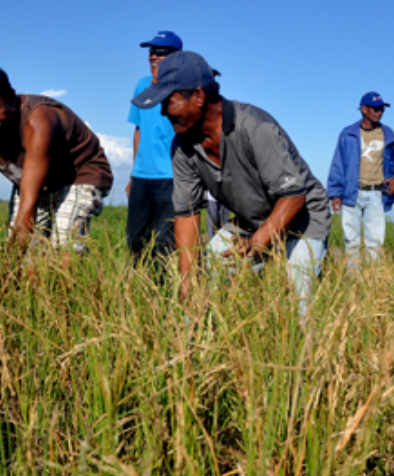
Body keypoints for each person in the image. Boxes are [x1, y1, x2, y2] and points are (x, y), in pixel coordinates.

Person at [131, 51, 330, 313]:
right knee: (207, 272)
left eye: (169, 102)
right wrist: (187, 285)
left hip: (302, 219)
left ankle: (306, 351)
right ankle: (196, 347)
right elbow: (187, 214)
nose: (164, 112)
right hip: (251, 221)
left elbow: (293, 195)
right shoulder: (182, 147)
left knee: (298, 303)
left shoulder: (254, 127)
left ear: (199, 96)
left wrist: (258, 244)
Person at [0, 63, 114, 255]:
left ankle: (71, 283)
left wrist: (12, 259)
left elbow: (28, 202)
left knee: (64, 250)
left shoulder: (38, 119)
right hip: (34, 180)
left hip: (79, 174)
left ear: (11, 97)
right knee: (28, 262)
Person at [326, 91, 394, 268]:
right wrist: (335, 194)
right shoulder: (348, 134)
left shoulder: (388, 134)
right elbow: (338, 164)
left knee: (375, 242)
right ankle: (353, 282)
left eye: (382, 109)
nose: (379, 112)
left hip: (376, 194)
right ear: (364, 109)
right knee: (351, 241)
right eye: (375, 109)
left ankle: (373, 283)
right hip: (351, 194)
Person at [126, 30, 182, 264]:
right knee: (135, 239)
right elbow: (138, 129)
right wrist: (132, 172)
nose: (153, 56)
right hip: (142, 176)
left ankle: (165, 292)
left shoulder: (183, 87)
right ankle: (140, 289)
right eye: (151, 52)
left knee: (164, 241)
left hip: (171, 176)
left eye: (161, 52)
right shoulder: (142, 86)